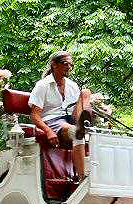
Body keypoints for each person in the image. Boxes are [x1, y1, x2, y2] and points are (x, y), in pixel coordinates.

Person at [29, 50, 92, 180]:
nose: (69, 67)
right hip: (52, 121)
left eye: (71, 65)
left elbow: (75, 109)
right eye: (65, 64)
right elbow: (35, 116)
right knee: (77, 133)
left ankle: (85, 123)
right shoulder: (42, 85)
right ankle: (82, 178)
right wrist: (48, 131)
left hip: (71, 119)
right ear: (54, 64)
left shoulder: (72, 86)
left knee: (85, 92)